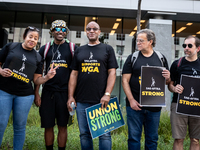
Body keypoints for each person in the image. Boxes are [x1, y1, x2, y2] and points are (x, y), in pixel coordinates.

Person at [0, 26, 58, 150]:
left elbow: (36, 80)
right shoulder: (11, 47)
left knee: (20, 126)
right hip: (4, 91)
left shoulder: (38, 57)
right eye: (30, 37)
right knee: (1, 123)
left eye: (36, 38)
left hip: (25, 95)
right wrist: (0, 71)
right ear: (24, 37)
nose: (32, 40)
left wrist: (47, 77)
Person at [67, 21, 118, 150]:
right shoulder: (80, 50)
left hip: (101, 100)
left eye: (94, 29)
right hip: (81, 100)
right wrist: (71, 96)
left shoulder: (107, 49)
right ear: (86, 32)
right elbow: (74, 74)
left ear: (99, 32)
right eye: (88, 29)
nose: (91, 31)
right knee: (84, 134)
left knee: (105, 135)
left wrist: (107, 94)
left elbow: (112, 73)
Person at [122, 29, 171, 150]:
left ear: (150, 41)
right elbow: (124, 81)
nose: (138, 43)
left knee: (152, 139)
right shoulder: (132, 58)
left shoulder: (161, 58)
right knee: (133, 138)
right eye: (137, 40)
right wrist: (131, 100)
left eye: (141, 40)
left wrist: (168, 77)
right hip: (134, 106)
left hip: (154, 107)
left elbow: (167, 82)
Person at [34, 20, 77, 150]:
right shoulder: (45, 48)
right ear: (52, 31)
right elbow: (38, 72)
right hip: (48, 92)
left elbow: (75, 74)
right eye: (57, 29)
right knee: (48, 125)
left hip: (65, 93)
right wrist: (37, 93)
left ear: (66, 32)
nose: (60, 31)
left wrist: (72, 96)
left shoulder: (73, 48)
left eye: (63, 29)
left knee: (62, 126)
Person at [168, 35, 200, 150]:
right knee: (179, 139)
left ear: (198, 48)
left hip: (197, 106)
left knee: (196, 140)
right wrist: (174, 88)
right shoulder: (177, 64)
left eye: (190, 45)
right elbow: (170, 84)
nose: (186, 48)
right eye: (184, 45)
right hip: (179, 105)